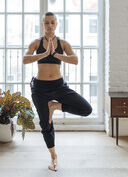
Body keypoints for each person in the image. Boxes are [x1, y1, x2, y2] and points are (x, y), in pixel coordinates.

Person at [22, 12, 92, 172]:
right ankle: (53, 156)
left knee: (86, 109)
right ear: (42, 25)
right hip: (40, 89)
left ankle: (55, 106)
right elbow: (25, 59)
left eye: (52, 22)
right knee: (46, 124)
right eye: (46, 22)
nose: (49, 25)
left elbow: (75, 60)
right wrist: (45, 54)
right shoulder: (36, 43)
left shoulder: (63, 43)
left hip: (59, 87)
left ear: (56, 24)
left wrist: (54, 54)